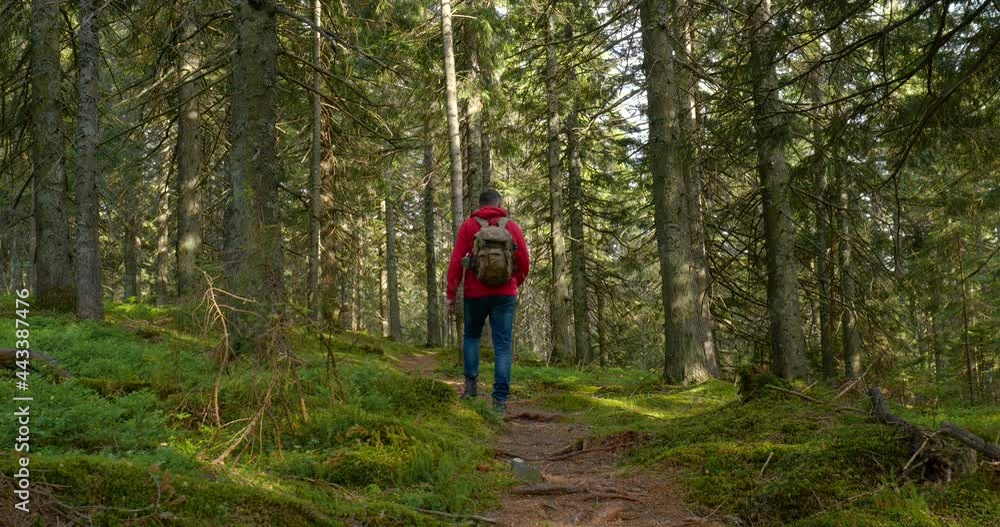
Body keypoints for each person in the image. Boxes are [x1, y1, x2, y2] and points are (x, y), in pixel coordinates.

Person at [446, 189, 530, 414]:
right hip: (505, 295)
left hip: (475, 294)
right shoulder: (511, 227)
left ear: (480, 204)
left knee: (472, 337)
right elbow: (524, 263)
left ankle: (471, 388)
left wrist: (451, 294)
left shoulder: (468, 226)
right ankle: (500, 401)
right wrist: (514, 284)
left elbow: (456, 262)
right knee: (502, 346)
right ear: (499, 204)